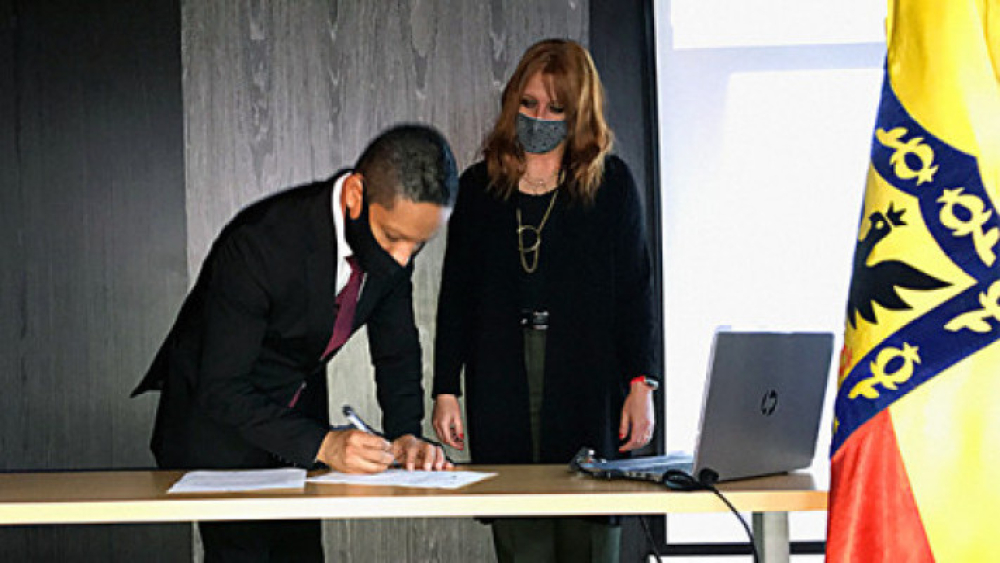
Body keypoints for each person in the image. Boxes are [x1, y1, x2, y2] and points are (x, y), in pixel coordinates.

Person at [132, 124, 457, 562]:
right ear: (356, 196)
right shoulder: (261, 244)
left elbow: (396, 348)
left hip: (295, 423)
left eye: (418, 245)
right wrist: (324, 444)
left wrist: (405, 433)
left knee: (302, 554)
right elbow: (222, 387)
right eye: (393, 237)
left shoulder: (395, 251)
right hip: (215, 423)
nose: (401, 259)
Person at [432, 39, 659, 562]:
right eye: (530, 104)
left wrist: (640, 383)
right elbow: (457, 295)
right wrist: (446, 387)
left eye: (557, 108)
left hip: (586, 370)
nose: (540, 117)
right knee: (521, 522)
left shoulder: (612, 185)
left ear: (580, 114)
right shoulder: (478, 188)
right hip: (501, 371)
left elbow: (635, 291)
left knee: (590, 518)